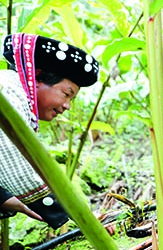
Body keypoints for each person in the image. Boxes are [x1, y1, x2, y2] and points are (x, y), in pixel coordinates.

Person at [1, 33, 99, 228]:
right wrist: (81, 219)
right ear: (36, 77)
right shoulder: (7, 93)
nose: (67, 106)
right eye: (66, 94)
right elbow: (17, 168)